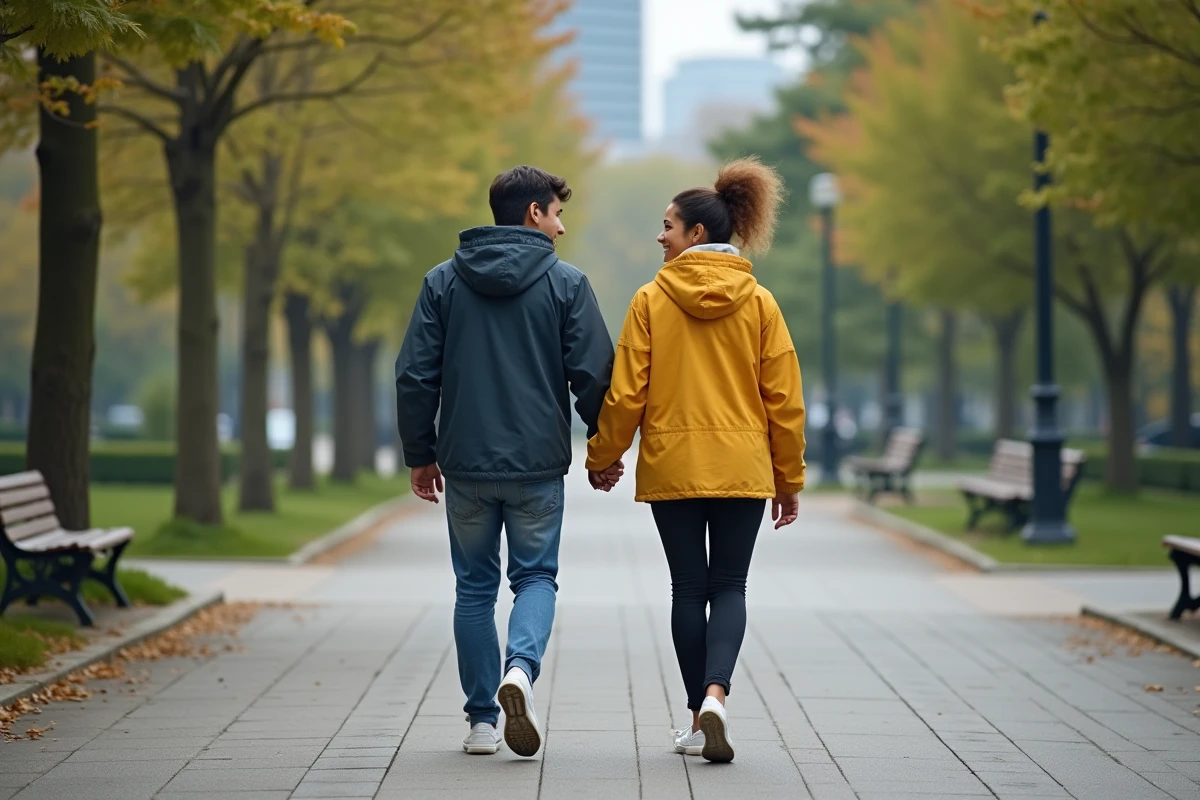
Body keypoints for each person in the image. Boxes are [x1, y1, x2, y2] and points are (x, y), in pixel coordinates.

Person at [585, 158, 806, 764]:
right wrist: (788, 480)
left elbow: (628, 391)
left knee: (688, 587)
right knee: (730, 585)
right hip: (743, 469)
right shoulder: (760, 304)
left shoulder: (651, 300)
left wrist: (603, 457)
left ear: (697, 235)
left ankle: (694, 716)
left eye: (668, 225)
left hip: (674, 465)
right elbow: (784, 401)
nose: (661, 236)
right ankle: (717, 697)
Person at [396, 166, 615, 758]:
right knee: (535, 577)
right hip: (537, 465)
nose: (562, 227)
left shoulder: (442, 282)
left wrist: (420, 454)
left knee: (473, 588)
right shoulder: (567, 284)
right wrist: (604, 446)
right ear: (532, 216)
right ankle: (520, 669)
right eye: (556, 213)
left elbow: (415, 374)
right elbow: (594, 373)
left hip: (464, 463)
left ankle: (481, 723)